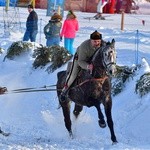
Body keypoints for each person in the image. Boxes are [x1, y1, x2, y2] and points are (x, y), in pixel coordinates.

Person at [60, 30, 106, 102]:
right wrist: (88, 66)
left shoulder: (104, 45)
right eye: (95, 41)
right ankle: (65, 90)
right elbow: (80, 61)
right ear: (91, 40)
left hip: (94, 61)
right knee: (73, 74)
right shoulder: (84, 46)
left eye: (98, 41)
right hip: (80, 59)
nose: (97, 43)